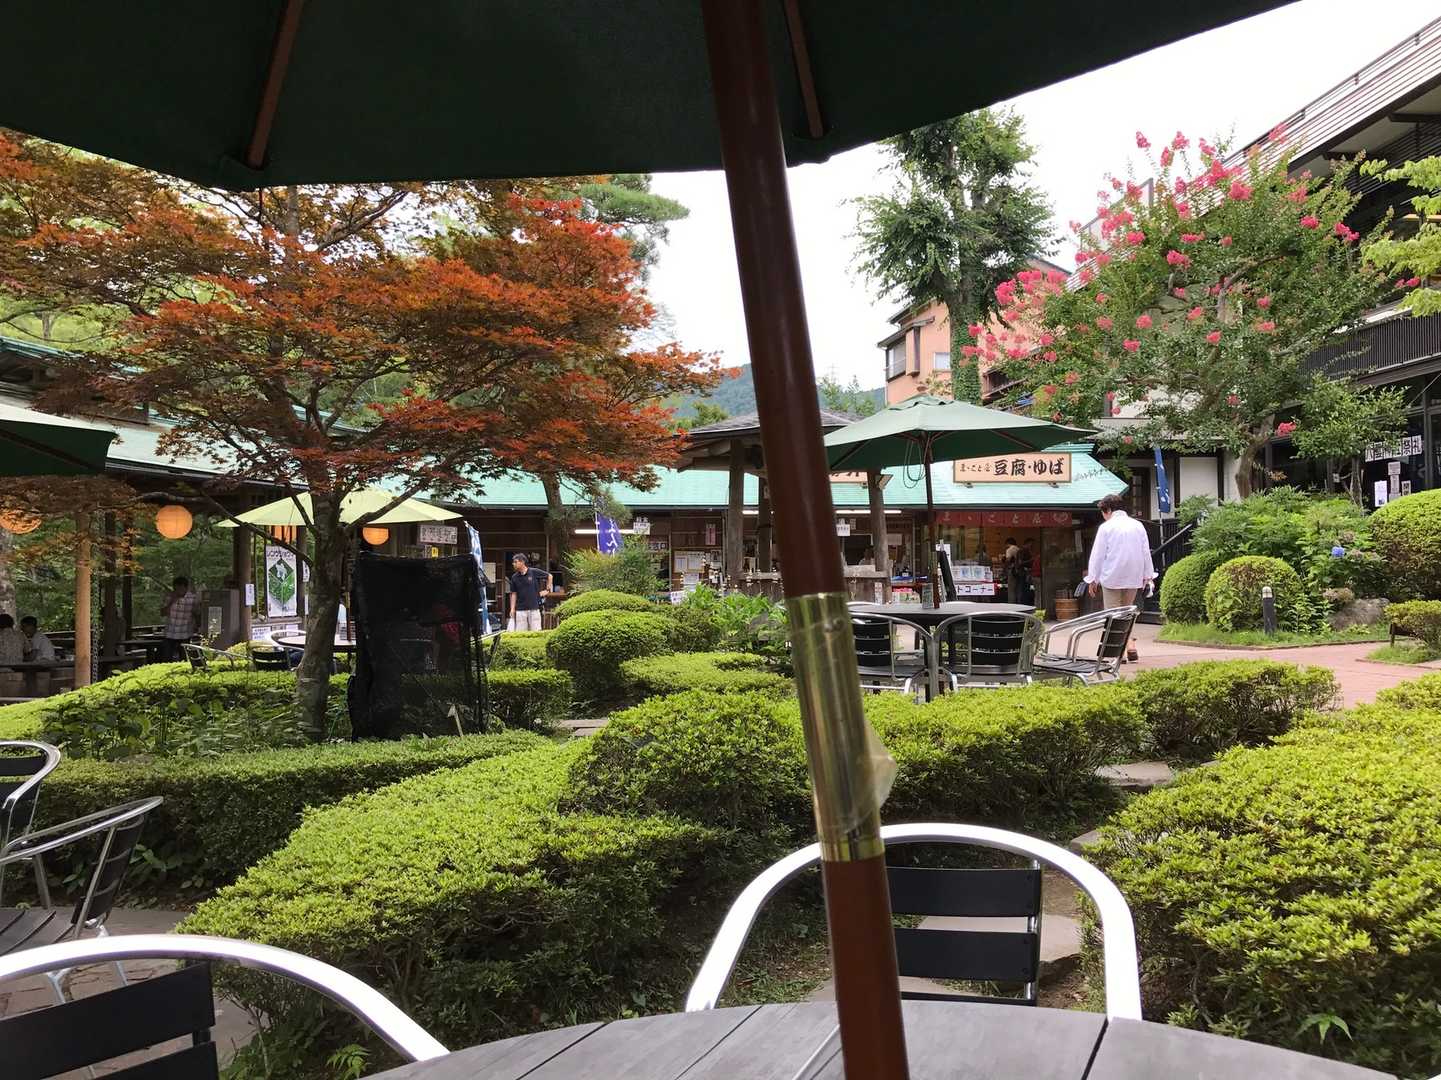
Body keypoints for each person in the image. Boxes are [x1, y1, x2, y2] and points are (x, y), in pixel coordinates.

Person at [1084, 493, 1155, 661]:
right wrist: (1148, 576)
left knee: (1113, 615)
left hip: (1112, 576)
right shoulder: (1137, 525)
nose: (1103, 516)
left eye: (1103, 512)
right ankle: (1130, 646)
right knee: (1127, 612)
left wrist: (1092, 578)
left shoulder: (1106, 527)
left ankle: (1118, 654)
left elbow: (1098, 555)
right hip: (1134, 576)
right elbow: (1145, 552)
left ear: (1108, 510)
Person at [507, 554, 551, 632]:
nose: (513, 564)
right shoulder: (514, 577)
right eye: (513, 562)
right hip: (520, 609)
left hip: (534, 608)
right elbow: (513, 594)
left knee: (536, 631)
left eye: (515, 562)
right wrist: (512, 609)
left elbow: (549, 576)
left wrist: (547, 589)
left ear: (522, 562)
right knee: (520, 633)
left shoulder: (534, 572)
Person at [160, 575, 199, 662]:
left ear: (186, 588)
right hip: (170, 633)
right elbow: (162, 613)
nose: (178, 591)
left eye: (181, 589)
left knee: (184, 659)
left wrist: (197, 625)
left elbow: (197, 614)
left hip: (185, 633)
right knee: (166, 658)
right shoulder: (169, 597)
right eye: (176, 589)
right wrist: (172, 601)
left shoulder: (193, 598)